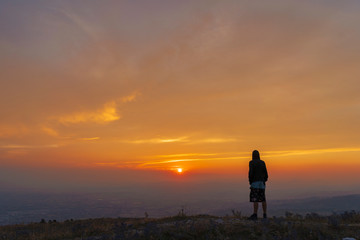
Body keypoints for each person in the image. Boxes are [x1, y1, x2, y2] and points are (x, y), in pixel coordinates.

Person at [248, 150, 268, 220]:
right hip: (262, 182)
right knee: (263, 199)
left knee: (255, 199)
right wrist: (264, 180)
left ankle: (255, 214)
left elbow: (251, 173)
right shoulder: (262, 162)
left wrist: (250, 181)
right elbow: (265, 172)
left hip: (255, 182)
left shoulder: (251, 162)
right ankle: (265, 214)